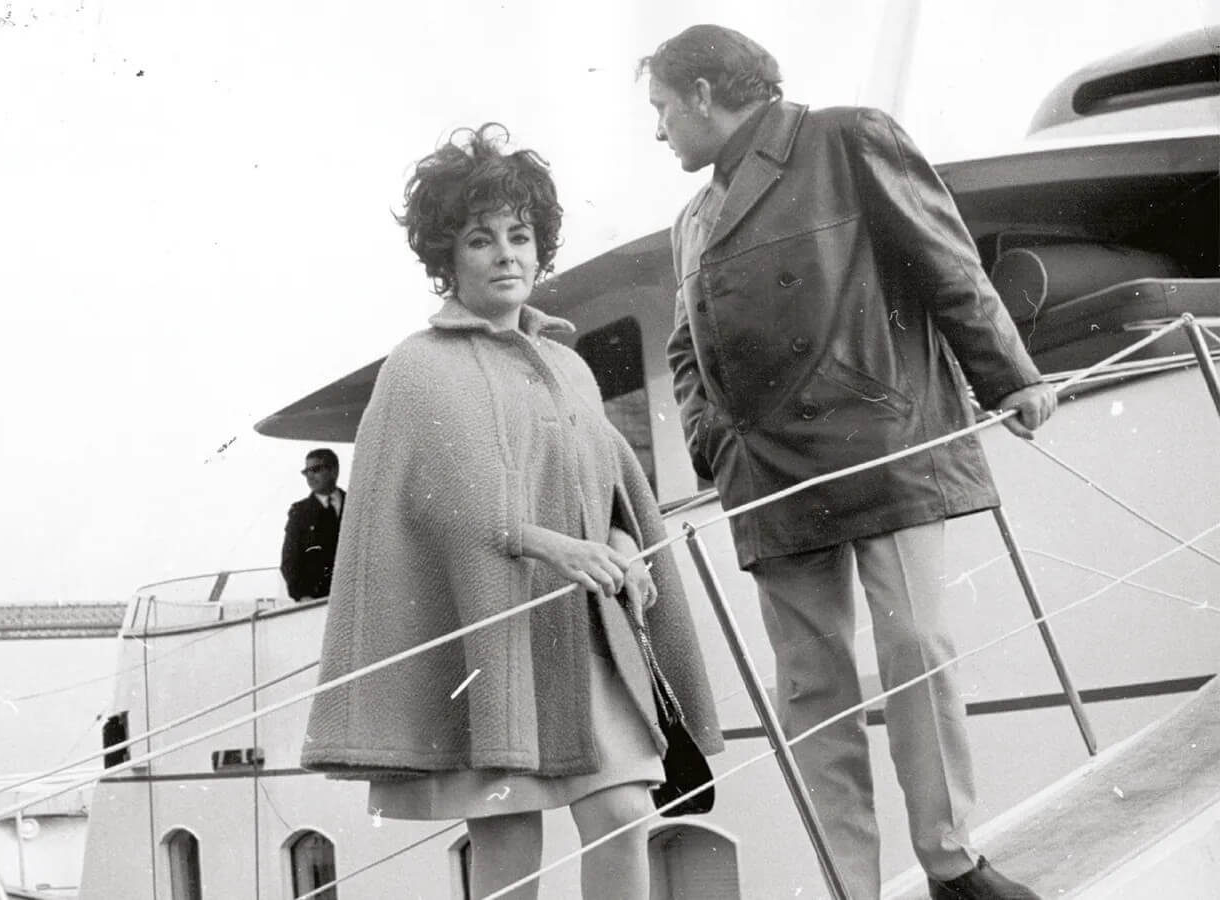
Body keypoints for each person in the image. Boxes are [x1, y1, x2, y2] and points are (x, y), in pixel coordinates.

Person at [641, 25, 1053, 900]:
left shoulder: (844, 137)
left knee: (915, 645)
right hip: (767, 471)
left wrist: (1009, 375)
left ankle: (951, 862)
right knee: (809, 684)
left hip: (881, 439)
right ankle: (848, 886)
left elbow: (945, 260)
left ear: (706, 92)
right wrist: (715, 439)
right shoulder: (691, 219)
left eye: (664, 109)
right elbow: (685, 351)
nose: (661, 130)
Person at [300, 124, 722, 899]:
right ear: (446, 260)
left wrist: (623, 540)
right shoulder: (416, 366)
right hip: (489, 640)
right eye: (480, 239)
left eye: (520, 236)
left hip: (580, 635)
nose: (505, 253)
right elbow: (432, 506)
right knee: (508, 837)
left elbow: (609, 482)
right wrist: (549, 545)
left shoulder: (570, 366)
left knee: (627, 809)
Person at [280, 448, 345, 602]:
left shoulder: (355, 505)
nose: (310, 476)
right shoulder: (300, 512)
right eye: (306, 472)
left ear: (334, 470)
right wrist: (302, 596)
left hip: (353, 596)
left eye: (315, 470)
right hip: (316, 601)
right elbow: (290, 560)